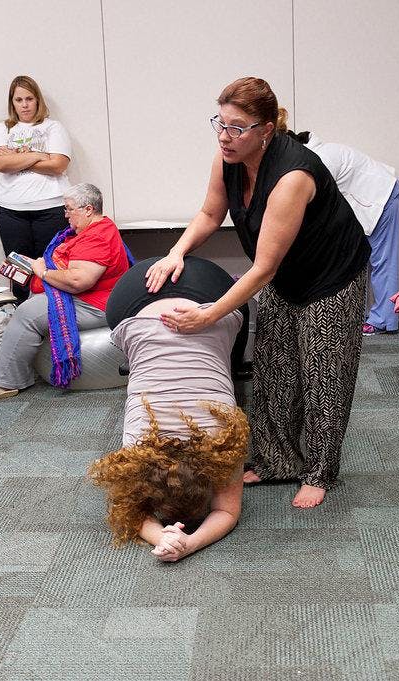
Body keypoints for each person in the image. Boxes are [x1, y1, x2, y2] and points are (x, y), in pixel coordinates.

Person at [145, 77, 370, 509]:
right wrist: (176, 252)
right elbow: (211, 213)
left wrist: (209, 316)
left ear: (266, 129)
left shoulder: (293, 176)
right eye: (220, 123)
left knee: (323, 374)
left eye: (237, 127)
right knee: (275, 367)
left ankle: (319, 472)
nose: (224, 136)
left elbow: (263, 267)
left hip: (332, 276)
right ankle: (276, 461)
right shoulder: (227, 158)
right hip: (286, 273)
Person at [90, 257, 248, 561]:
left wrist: (175, 540)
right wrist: (178, 541)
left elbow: (227, 511)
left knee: (227, 337)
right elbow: (226, 510)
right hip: (133, 296)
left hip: (210, 290)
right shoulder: (136, 448)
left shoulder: (225, 440)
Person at [0, 183, 131, 402]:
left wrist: (43, 272)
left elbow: (77, 280)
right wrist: (34, 265)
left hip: (95, 305)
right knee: (31, 305)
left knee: (26, 314)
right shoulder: (90, 230)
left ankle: (4, 382)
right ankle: (19, 372)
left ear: (88, 209)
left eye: (69, 209)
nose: (65, 215)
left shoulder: (97, 237)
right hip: (89, 298)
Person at [283, 122, 399, 335]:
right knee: (359, 261)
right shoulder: (313, 156)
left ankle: (384, 320)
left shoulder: (319, 160)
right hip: (364, 202)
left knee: (382, 260)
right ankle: (368, 315)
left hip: (382, 197)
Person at [0, 75, 73, 301]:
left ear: (37, 101)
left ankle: (54, 320)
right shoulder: (3, 129)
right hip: (10, 212)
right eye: (19, 100)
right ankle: (22, 318)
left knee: (52, 269)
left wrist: (16, 158)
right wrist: (38, 154)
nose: (24, 105)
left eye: (29, 98)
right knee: (19, 274)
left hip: (51, 209)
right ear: (12, 103)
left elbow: (58, 164)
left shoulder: (53, 127)